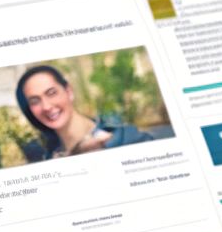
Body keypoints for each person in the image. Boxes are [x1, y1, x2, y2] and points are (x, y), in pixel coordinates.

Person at [14, 64, 152, 160]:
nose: (46, 106)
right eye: (35, 101)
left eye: (51, 93)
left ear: (69, 91)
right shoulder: (50, 156)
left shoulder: (124, 139)